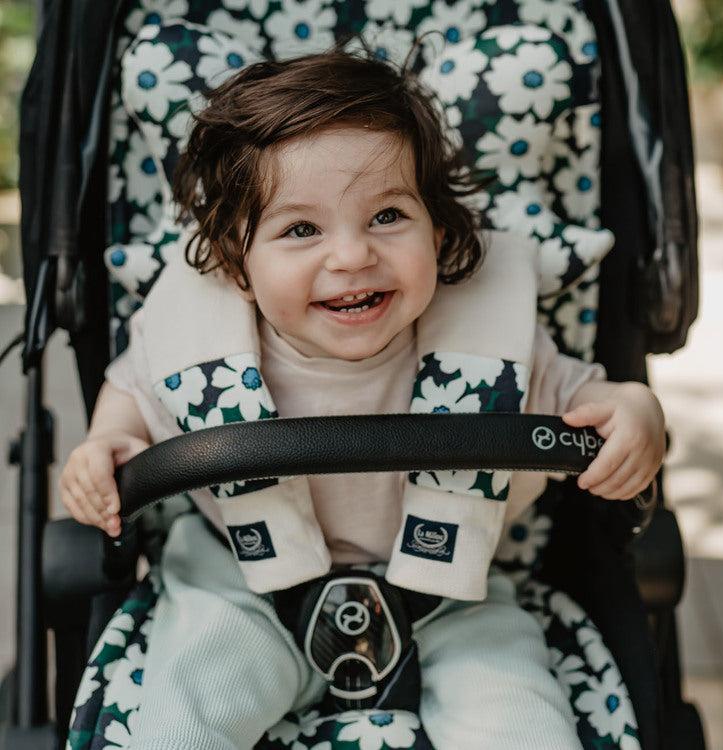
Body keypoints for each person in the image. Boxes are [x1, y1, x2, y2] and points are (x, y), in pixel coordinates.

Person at [59, 48, 665, 750]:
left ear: (438, 231)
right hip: (240, 584)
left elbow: (590, 401)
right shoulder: (198, 342)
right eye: (301, 230)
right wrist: (107, 446)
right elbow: (132, 392)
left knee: (524, 724)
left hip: (454, 591)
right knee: (179, 720)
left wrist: (636, 413)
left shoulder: (490, 336)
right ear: (236, 264)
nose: (350, 256)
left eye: (387, 216)